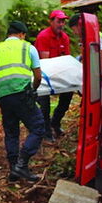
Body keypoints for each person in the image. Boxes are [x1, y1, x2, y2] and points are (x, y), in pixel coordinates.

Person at [0, 21, 45, 182]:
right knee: (38, 126)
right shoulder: (28, 48)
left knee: (11, 132)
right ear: (21, 34)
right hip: (22, 93)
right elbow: (38, 76)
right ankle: (22, 164)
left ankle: (13, 169)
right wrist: (33, 89)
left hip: (4, 96)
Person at [35, 9, 73, 140]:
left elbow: (67, 59)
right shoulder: (43, 37)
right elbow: (45, 63)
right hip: (44, 75)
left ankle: (55, 122)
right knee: (44, 105)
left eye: (63, 22)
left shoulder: (65, 37)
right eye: (58, 21)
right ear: (51, 22)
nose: (61, 24)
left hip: (59, 74)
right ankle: (46, 132)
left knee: (67, 96)